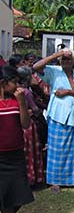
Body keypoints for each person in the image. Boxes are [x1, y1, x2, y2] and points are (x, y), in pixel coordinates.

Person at [33, 49, 74, 193]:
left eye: (69, 59)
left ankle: (70, 180)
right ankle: (55, 181)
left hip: (73, 117)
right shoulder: (54, 71)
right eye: (64, 59)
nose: (66, 61)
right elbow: (35, 67)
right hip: (57, 116)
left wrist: (68, 92)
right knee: (56, 150)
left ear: (73, 61)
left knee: (70, 150)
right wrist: (55, 55)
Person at [0, 65, 34, 213]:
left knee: (17, 197)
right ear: (3, 82)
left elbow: (25, 124)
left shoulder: (16, 100)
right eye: (14, 81)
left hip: (15, 156)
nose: (17, 85)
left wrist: (21, 103)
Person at [17, 66, 44, 187]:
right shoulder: (26, 92)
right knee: (31, 151)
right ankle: (32, 177)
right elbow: (35, 110)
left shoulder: (16, 90)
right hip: (28, 125)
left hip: (17, 125)